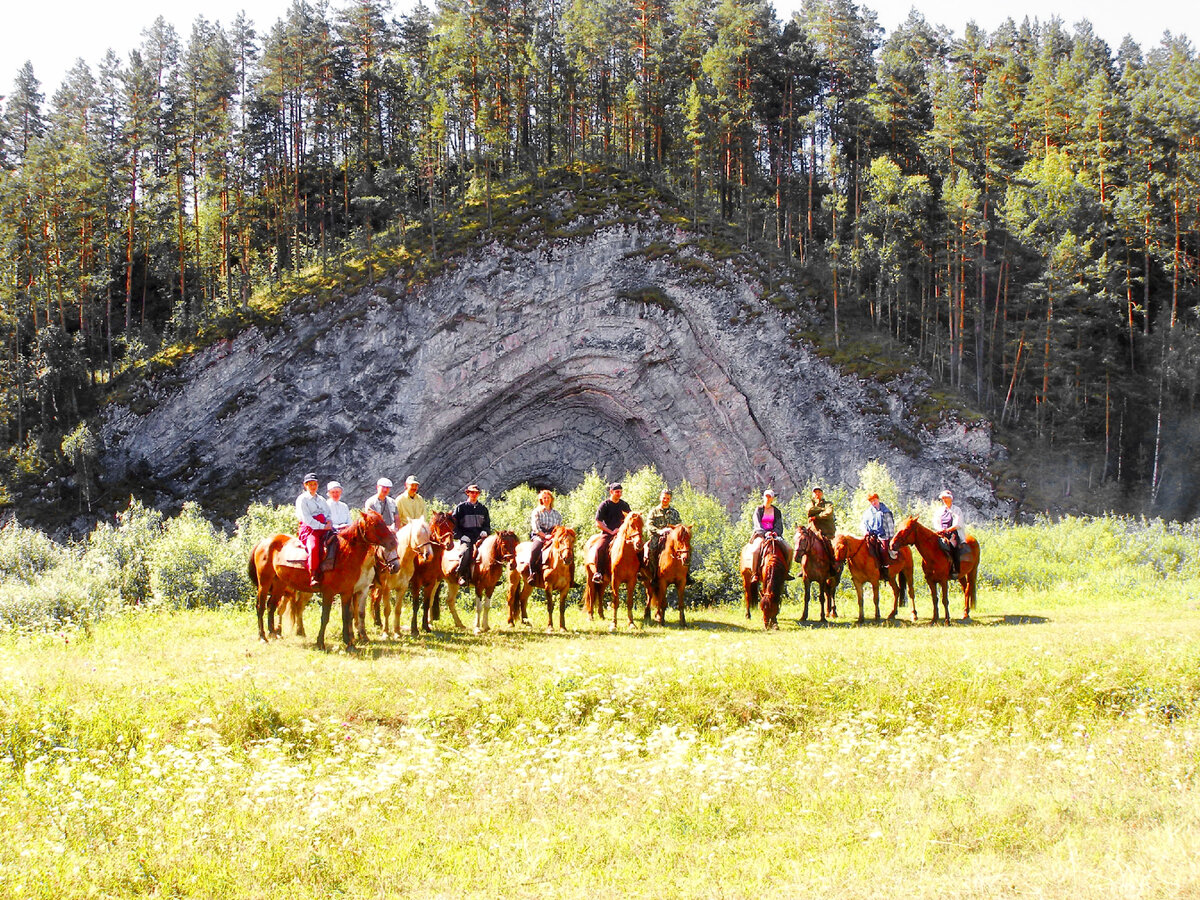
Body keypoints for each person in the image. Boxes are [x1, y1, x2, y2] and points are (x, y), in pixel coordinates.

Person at [749, 489, 793, 583]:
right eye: (766, 496)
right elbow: (757, 525)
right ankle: (755, 574)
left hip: (774, 535)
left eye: (770, 497)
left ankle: (786, 572)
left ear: (772, 498)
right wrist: (765, 533)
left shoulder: (776, 511)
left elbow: (779, 525)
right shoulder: (758, 510)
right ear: (763, 497)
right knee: (755, 551)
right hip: (761, 535)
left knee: (789, 549)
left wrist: (775, 532)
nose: (768, 499)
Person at [296, 474, 332, 588]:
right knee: (314, 546)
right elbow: (307, 519)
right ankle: (314, 575)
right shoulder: (302, 499)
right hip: (310, 528)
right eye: (310, 484)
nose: (313, 487)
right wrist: (322, 526)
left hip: (324, 526)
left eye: (315, 484)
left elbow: (328, 513)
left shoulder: (321, 499)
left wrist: (329, 522)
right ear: (305, 485)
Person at [592, 482, 632, 584]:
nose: (619, 494)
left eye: (620, 492)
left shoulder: (624, 505)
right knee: (599, 548)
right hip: (608, 533)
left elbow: (630, 519)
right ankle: (598, 572)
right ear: (611, 492)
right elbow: (598, 522)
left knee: (637, 546)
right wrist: (610, 531)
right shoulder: (605, 505)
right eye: (617, 492)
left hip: (623, 534)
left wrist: (622, 529)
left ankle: (640, 571)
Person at [452, 484, 491, 586]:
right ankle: (461, 575)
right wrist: (460, 536)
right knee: (465, 553)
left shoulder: (483, 509)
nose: (474, 494)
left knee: (492, 552)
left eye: (476, 493)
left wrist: (485, 531)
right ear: (467, 493)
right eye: (472, 492)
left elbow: (487, 524)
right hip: (466, 538)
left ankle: (490, 576)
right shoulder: (461, 508)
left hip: (480, 538)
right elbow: (453, 525)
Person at [529, 489, 563, 587]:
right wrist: (544, 536)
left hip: (553, 536)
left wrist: (554, 536)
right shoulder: (537, 511)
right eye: (544, 498)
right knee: (535, 550)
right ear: (541, 500)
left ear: (551, 499)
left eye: (548, 498)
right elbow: (535, 527)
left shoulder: (557, 514)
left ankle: (570, 577)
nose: (546, 500)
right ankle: (532, 573)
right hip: (540, 535)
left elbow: (559, 527)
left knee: (567, 549)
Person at [646, 489, 682, 574]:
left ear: (670, 499)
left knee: (685, 550)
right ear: (660, 497)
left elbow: (679, 525)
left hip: (672, 537)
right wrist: (659, 531)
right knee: (651, 550)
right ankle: (653, 573)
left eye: (668, 498)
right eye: (664, 498)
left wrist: (673, 530)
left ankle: (685, 574)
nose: (665, 500)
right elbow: (649, 525)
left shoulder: (675, 512)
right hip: (657, 537)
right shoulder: (654, 511)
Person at [807, 486, 840, 574]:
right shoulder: (810, 504)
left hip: (827, 532)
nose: (817, 494)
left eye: (819, 492)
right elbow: (810, 511)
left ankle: (834, 565)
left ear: (822, 493)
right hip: (813, 533)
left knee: (832, 549)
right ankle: (804, 568)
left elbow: (828, 513)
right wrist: (822, 510)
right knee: (803, 546)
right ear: (813, 494)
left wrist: (816, 516)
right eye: (815, 492)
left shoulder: (828, 504)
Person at [861, 492, 896, 575]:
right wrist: (865, 531)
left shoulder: (885, 511)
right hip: (871, 535)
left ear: (878, 499)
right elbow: (863, 523)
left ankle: (885, 568)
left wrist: (891, 537)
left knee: (883, 550)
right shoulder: (868, 512)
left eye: (874, 500)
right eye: (871, 501)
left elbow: (890, 525)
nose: (873, 502)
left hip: (884, 535)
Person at [936, 490, 966, 576]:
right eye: (943, 498)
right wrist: (940, 530)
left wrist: (947, 530)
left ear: (950, 499)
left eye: (946, 498)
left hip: (953, 533)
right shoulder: (940, 511)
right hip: (941, 533)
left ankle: (955, 569)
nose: (944, 500)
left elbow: (958, 524)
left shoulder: (956, 510)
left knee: (954, 546)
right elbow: (936, 522)